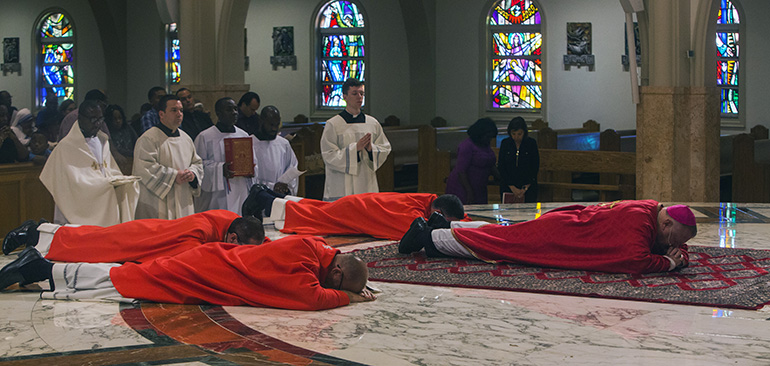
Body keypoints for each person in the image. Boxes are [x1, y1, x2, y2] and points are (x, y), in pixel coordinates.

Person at [0, 235, 376, 310]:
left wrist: (354, 282)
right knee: (125, 281)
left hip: (210, 262)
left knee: (131, 276)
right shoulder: (304, 275)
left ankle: (49, 269)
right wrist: (350, 297)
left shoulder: (312, 247)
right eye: (339, 283)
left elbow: (333, 256)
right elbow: (312, 298)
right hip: (205, 272)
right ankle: (44, 268)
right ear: (337, 275)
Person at [399, 200, 698, 274]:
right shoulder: (640, 223)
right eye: (673, 240)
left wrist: (673, 254)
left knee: (501, 235)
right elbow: (634, 259)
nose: (673, 246)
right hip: (560, 236)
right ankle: (428, 238)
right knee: (498, 244)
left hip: (565, 226)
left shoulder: (650, 210)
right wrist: (669, 265)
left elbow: (669, 247)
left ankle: (441, 225)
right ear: (667, 223)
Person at [2, 210, 264, 262]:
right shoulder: (201, 232)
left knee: (92, 238)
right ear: (231, 239)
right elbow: (183, 260)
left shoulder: (230, 220)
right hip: (140, 240)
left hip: (148, 233)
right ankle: (34, 232)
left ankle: (39, 231)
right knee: (90, 245)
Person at [40, 100, 140, 226]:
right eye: (93, 119)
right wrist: (102, 184)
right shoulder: (66, 146)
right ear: (80, 118)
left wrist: (120, 180)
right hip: (77, 203)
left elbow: (108, 170)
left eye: (100, 119)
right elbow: (71, 184)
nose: (98, 124)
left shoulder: (101, 140)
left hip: (101, 195)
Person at [244, 187, 469, 241]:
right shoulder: (413, 214)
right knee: (313, 217)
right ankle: (264, 199)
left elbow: (461, 219)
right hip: (355, 211)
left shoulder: (428, 200)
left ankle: (266, 194)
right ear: (438, 212)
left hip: (359, 205)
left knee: (316, 209)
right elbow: (412, 233)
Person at [133, 94, 204, 220]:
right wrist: (173, 176)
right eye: (174, 110)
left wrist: (192, 174)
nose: (179, 114)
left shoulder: (185, 138)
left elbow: (197, 163)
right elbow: (144, 167)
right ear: (161, 114)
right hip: (158, 201)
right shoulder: (148, 138)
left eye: (181, 110)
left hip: (183, 198)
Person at [320, 78, 391, 201]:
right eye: (354, 93)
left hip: (366, 181)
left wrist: (371, 149)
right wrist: (354, 149)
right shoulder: (333, 124)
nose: (359, 97)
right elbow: (328, 155)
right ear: (345, 96)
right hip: (341, 184)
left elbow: (385, 148)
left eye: (361, 93)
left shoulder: (372, 123)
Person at [194, 97, 257, 215]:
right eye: (229, 110)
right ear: (218, 113)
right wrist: (220, 169)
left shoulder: (243, 135)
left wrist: (251, 168)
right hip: (216, 196)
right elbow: (198, 166)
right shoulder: (205, 137)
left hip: (240, 190)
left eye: (235, 109)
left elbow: (254, 162)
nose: (234, 113)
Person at [445, 118, 500, 204]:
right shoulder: (467, 146)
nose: (489, 140)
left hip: (480, 188)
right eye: (488, 137)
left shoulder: (485, 144)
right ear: (480, 134)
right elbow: (461, 171)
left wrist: (500, 178)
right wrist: (469, 192)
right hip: (463, 188)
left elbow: (490, 164)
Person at [253, 105, 299, 195]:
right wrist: (271, 187)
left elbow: (292, 167)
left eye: (277, 124)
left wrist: (286, 185)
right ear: (261, 121)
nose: (274, 128)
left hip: (280, 194)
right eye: (271, 125)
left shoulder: (284, 144)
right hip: (259, 197)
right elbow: (248, 177)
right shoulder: (250, 143)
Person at [498, 117, 539, 203]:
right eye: (513, 134)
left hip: (527, 184)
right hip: (508, 184)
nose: (516, 137)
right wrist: (512, 187)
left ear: (524, 132)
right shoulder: (505, 143)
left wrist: (525, 187)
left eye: (519, 134)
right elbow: (501, 166)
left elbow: (535, 166)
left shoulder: (531, 143)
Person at [104, 104, 137, 175]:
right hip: (116, 165)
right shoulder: (107, 132)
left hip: (133, 160)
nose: (118, 121)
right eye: (114, 119)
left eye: (120, 118)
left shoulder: (128, 128)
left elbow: (137, 142)